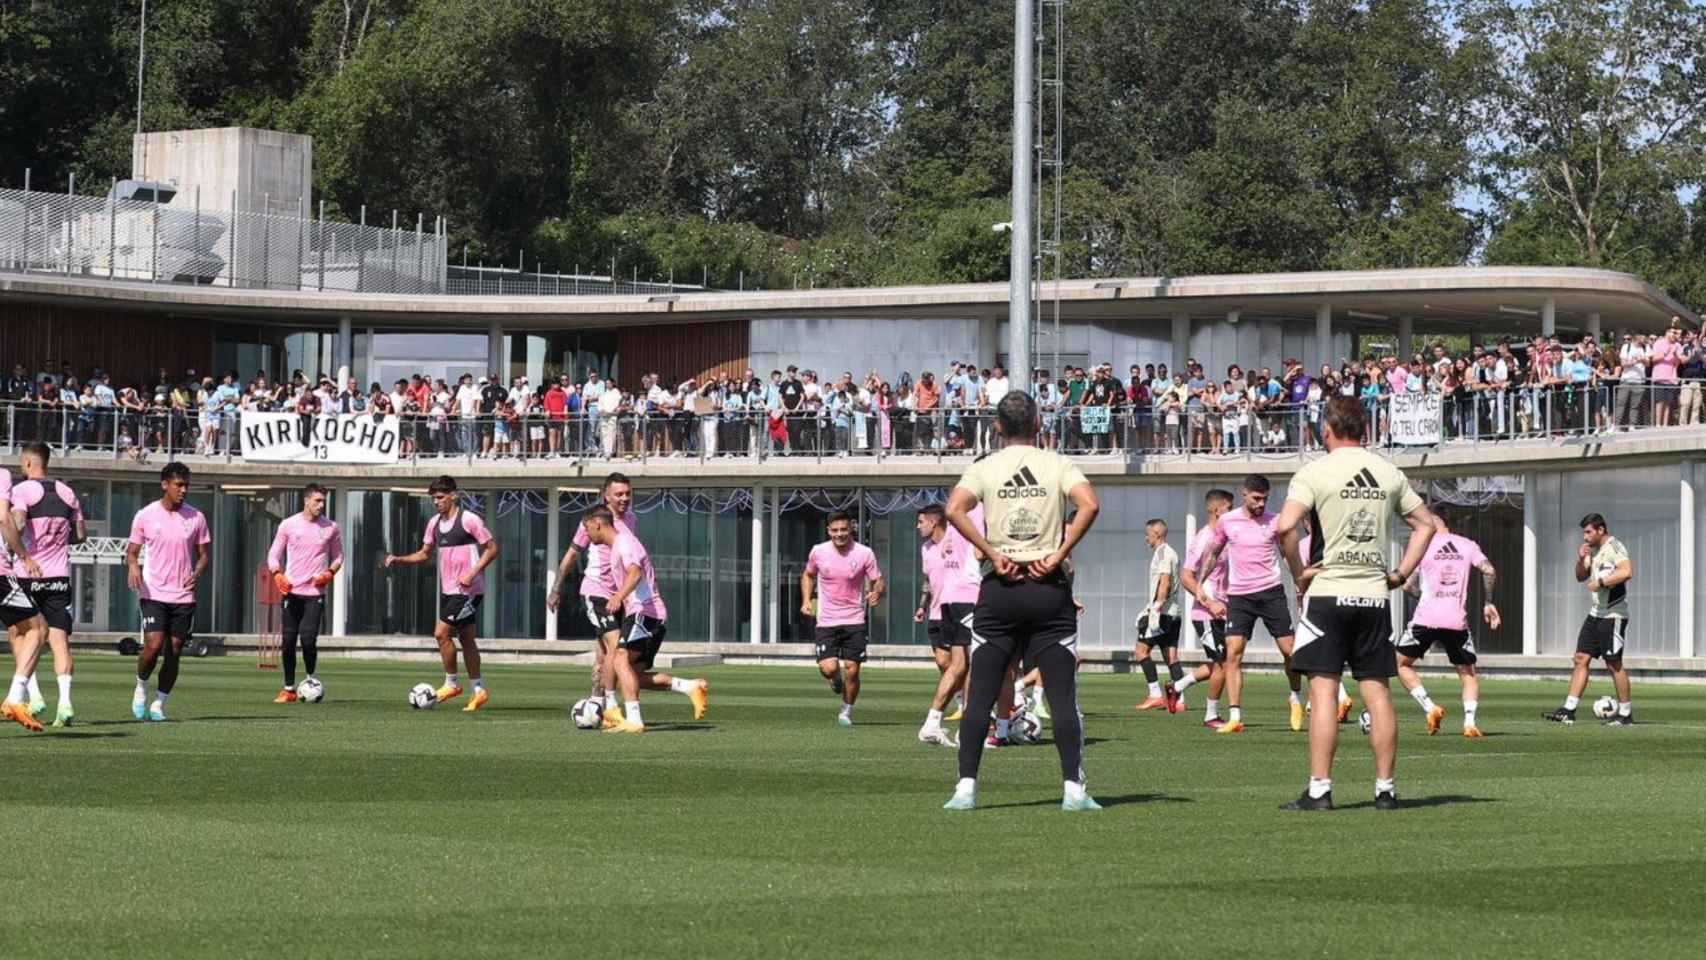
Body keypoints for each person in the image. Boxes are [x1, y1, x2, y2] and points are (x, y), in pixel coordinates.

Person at [943, 390, 1101, 812]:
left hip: (1001, 586)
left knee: (980, 695)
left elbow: (954, 508)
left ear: (997, 428)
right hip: (1047, 586)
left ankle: (965, 790)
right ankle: (1074, 791)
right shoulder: (1058, 463)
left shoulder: (985, 466)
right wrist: (1059, 554)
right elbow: (1090, 504)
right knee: (1062, 697)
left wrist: (993, 553)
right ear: (1039, 425)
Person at [1275, 396, 1436, 811]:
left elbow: (1284, 526)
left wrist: (1299, 572)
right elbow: (1426, 525)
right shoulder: (1387, 471)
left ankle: (1319, 791)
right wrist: (1400, 574)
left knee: (1324, 690)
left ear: (1326, 429)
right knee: (1377, 691)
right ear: (1364, 429)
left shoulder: (1313, 472)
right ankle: (1385, 791)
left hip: (1328, 593)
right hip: (1373, 595)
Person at [1194, 475, 1308, 734]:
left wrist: (1299, 584)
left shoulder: (1276, 521)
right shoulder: (1227, 521)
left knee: (1290, 651)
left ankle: (1295, 697)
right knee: (1233, 652)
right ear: (1243, 494)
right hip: (1240, 596)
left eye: (1265, 499)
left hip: (1271, 592)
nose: (1260, 503)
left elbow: (1288, 556)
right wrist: (1201, 584)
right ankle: (1235, 716)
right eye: (1256, 498)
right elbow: (1213, 552)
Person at [578, 506, 708, 733]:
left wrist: (618, 596)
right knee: (633, 674)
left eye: (588, 528)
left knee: (618, 659)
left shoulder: (624, 543)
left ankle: (634, 720)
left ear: (597, 524)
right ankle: (690, 687)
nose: (587, 534)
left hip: (644, 612)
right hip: (647, 614)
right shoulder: (619, 545)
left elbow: (635, 573)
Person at [384, 476, 498, 712]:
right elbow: (425, 553)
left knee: (441, 633)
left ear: (453, 495)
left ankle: (451, 683)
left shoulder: (469, 520)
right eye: (433, 498)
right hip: (449, 591)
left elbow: (492, 548)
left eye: (440, 497)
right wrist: (400, 559)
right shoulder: (434, 523)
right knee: (466, 639)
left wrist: (472, 572)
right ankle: (478, 690)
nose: (436, 502)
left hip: (468, 591)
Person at [125, 461, 212, 722]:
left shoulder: (196, 517)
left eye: (186, 485)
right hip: (153, 592)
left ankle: (159, 704)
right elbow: (132, 551)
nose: (183, 490)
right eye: (178, 485)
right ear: (165, 485)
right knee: (152, 646)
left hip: (183, 595)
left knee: (174, 649)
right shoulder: (145, 515)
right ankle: (141, 686)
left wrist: (196, 573)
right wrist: (133, 567)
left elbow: (204, 555)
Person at [1397, 517, 1499, 738]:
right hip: (1456, 621)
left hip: (1426, 619)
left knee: (1400, 664)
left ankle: (1430, 707)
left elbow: (1406, 585)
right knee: (1467, 674)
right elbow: (1489, 570)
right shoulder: (1467, 544)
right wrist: (1488, 603)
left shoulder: (1421, 547)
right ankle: (1470, 723)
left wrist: (1426, 596)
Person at [548, 472, 636, 725]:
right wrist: (556, 588)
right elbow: (572, 554)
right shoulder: (593, 521)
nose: (624, 498)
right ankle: (608, 707)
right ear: (606, 495)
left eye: (628, 493)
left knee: (603, 656)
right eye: (619, 494)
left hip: (619, 596)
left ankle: (596, 702)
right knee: (616, 647)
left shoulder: (631, 519)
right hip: (596, 591)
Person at [9, 442, 84, 725]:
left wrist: (23, 547)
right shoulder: (67, 492)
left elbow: (16, 525)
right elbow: (80, 534)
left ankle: (35, 695)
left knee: (21, 634)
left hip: (29, 575)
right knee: (59, 641)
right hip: (59, 577)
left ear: (29, 463)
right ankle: (65, 703)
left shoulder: (22, 490)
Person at [1545, 514, 1635, 726]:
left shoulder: (1615, 547)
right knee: (1580, 658)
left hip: (1613, 615)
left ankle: (1625, 713)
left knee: (1613, 663)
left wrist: (1601, 582)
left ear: (1601, 530)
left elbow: (1627, 571)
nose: (1585, 537)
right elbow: (1580, 576)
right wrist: (1581, 559)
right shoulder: (1593, 550)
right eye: (1583, 532)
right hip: (1595, 613)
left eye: (1588, 532)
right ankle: (1569, 709)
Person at [801, 512, 884, 726]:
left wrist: (877, 592)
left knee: (853, 670)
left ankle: (846, 711)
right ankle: (834, 679)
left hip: (854, 619)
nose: (840, 534)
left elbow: (878, 580)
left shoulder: (864, 553)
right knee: (828, 668)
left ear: (851, 529)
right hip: (827, 620)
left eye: (844, 530)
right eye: (835, 530)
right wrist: (806, 600)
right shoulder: (818, 551)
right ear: (828, 530)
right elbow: (808, 575)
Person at [266, 483, 343, 703]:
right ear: (306, 500)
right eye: (317, 500)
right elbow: (273, 555)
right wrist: (277, 575)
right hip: (291, 593)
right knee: (288, 640)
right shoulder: (288, 525)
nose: (321, 505)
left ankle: (310, 680)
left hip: (315, 594)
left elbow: (338, 557)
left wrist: (329, 573)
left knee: (308, 639)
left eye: (323, 501)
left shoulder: (331, 528)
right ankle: (289, 688)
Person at [914, 503, 980, 747]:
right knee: (967, 664)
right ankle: (968, 726)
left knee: (960, 664)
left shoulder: (953, 531)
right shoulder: (969, 519)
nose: (918, 526)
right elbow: (928, 580)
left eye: (921, 521)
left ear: (934, 521)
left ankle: (935, 723)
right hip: (959, 602)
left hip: (952, 603)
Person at [1169, 489, 1234, 728]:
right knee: (1224, 664)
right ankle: (1211, 715)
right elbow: (1186, 576)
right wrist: (1209, 602)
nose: (1232, 512)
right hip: (1205, 613)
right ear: (1215, 509)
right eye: (1228, 508)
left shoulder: (1226, 537)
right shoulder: (1204, 538)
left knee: (1225, 661)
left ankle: (1177, 686)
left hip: (1226, 610)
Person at [0, 460, 46, 731]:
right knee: (37, 628)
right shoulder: (2, 475)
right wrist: (25, 555)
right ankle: (16, 698)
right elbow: (4, 518)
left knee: (21, 627)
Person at [1133, 519, 1186, 711]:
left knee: (1141, 651)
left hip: (1162, 613)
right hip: (1174, 613)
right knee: (1171, 656)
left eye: (1147, 534)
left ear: (1157, 534)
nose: (1146, 538)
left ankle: (1155, 694)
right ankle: (1180, 700)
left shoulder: (1164, 552)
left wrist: (1156, 607)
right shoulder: (1169, 552)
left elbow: (1165, 580)